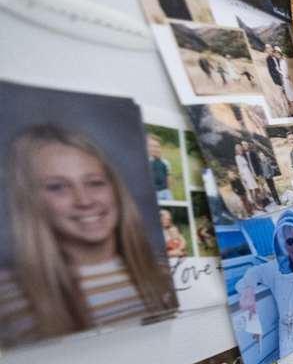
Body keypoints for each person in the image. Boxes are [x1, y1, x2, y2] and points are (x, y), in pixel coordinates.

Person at [0, 124, 176, 348]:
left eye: (95, 183)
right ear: (29, 199)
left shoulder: (164, 271)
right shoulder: (8, 300)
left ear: (115, 188)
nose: (84, 200)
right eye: (57, 187)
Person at [236, 208, 293, 360]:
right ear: (283, 244)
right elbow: (253, 273)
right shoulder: (274, 268)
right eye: (290, 241)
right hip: (286, 339)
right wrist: (248, 292)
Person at [147, 133, 173, 202]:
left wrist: (168, 190)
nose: (154, 149)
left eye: (157, 146)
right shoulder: (145, 161)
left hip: (164, 192)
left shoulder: (165, 162)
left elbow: (168, 178)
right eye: (151, 146)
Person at [233, 141, 258, 210]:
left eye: (240, 148)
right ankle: (254, 204)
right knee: (250, 189)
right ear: (237, 150)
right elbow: (240, 167)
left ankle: (254, 202)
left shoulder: (242, 155)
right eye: (238, 149)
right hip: (245, 174)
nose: (240, 149)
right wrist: (243, 177)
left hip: (249, 173)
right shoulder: (237, 157)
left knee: (254, 188)